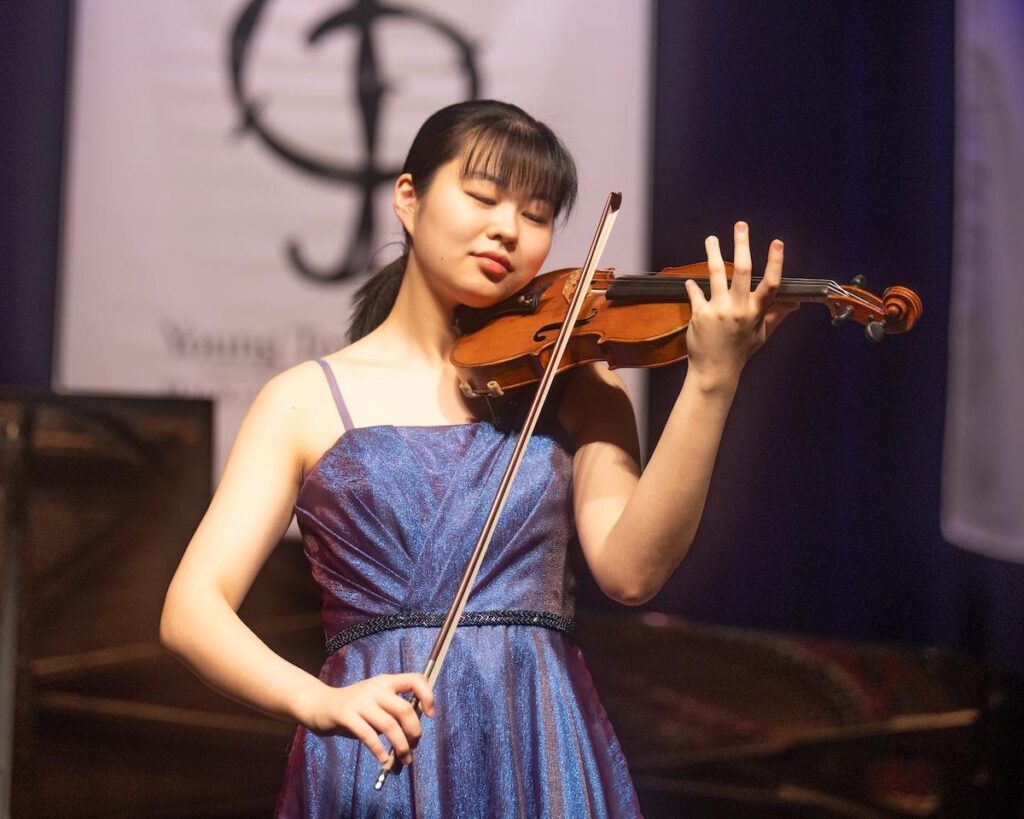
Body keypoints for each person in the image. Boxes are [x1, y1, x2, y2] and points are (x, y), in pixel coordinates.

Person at [160, 99, 797, 817]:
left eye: (536, 214)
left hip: (539, 743)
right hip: (375, 745)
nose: (509, 229)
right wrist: (316, 699)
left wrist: (712, 381)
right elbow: (192, 610)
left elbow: (632, 571)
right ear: (409, 198)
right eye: (483, 197)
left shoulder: (577, 383)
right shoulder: (303, 399)